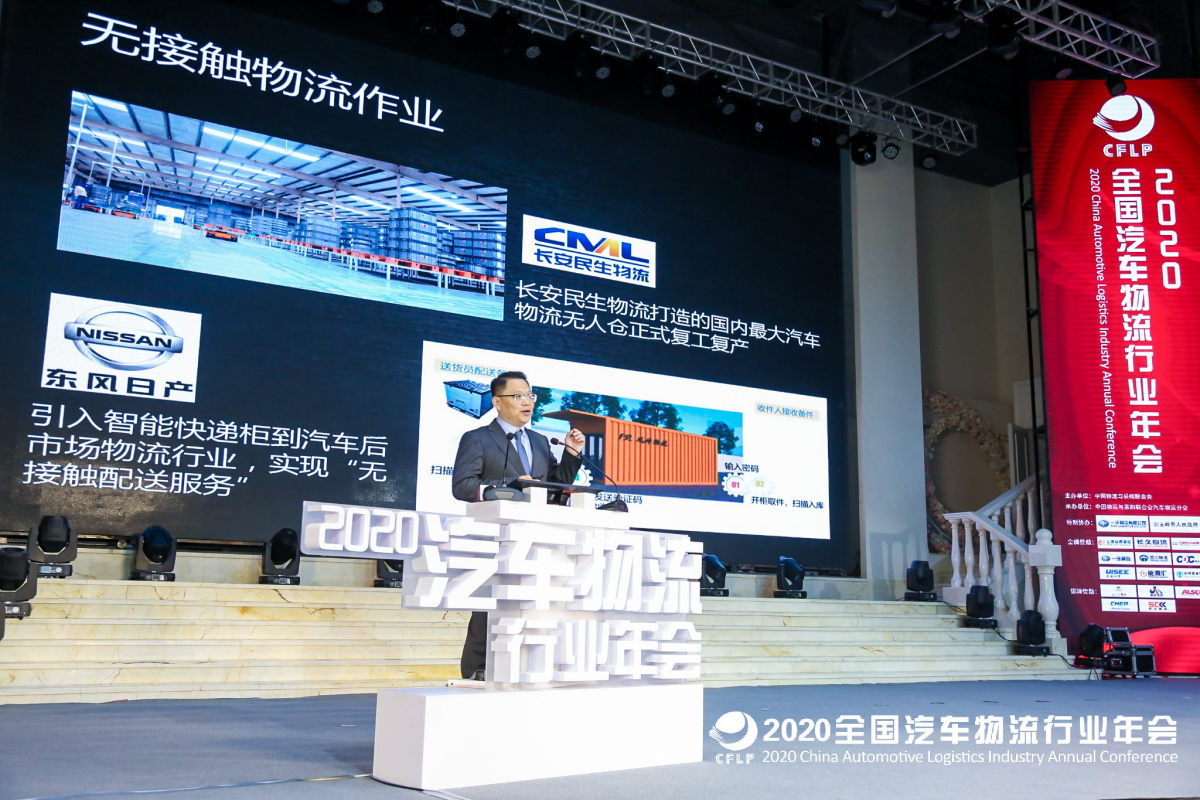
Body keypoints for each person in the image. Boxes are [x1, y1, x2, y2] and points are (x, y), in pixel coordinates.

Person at [451, 370, 585, 679]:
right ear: (497, 402)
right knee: (488, 610)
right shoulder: (477, 439)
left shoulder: (539, 441)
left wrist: (571, 453)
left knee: (530, 609)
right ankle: (476, 671)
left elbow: (556, 486)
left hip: (536, 541)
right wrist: (510, 485)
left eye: (530, 396)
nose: (527, 402)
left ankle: (523, 668)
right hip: (495, 539)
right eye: (518, 396)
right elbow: (462, 486)